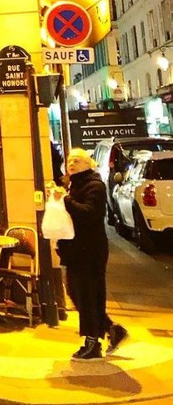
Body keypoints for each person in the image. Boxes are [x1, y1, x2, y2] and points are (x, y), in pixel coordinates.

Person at [49, 148, 129, 360]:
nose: (71, 164)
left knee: (88, 296)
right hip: (76, 250)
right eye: (69, 160)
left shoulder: (94, 185)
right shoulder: (75, 184)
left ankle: (92, 343)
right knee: (77, 294)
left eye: (76, 160)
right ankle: (111, 329)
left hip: (90, 251)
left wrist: (65, 199)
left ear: (88, 164)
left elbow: (88, 213)